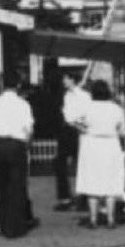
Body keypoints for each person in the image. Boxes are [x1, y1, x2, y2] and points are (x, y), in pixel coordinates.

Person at [0, 81, 35, 238]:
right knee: (17, 186)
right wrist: (25, 144)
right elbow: (29, 128)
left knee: (0, 185)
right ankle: (16, 226)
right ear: (16, 87)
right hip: (17, 144)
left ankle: (3, 224)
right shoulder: (23, 104)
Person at [74, 80, 125, 229]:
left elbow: (76, 122)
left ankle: (93, 219)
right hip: (110, 144)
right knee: (110, 182)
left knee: (92, 181)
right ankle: (110, 219)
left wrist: (84, 130)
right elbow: (122, 131)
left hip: (91, 145)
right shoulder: (116, 109)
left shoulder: (87, 108)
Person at [54, 73, 90, 211]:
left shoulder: (84, 96)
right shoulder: (66, 96)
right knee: (60, 163)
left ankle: (84, 197)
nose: (64, 81)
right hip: (66, 130)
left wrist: (79, 124)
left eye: (66, 78)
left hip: (79, 131)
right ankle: (64, 198)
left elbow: (87, 113)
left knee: (81, 163)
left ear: (73, 80)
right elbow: (65, 114)